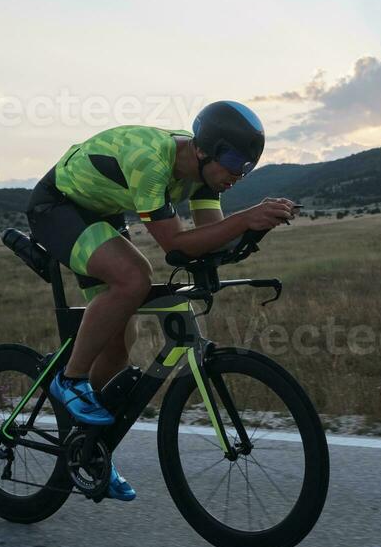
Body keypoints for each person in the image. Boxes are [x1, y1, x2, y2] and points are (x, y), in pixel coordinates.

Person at [25, 100, 298, 501]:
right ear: (204, 149)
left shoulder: (208, 176)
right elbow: (175, 245)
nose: (239, 175)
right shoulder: (151, 161)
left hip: (102, 212)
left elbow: (210, 237)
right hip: (59, 206)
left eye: (249, 167)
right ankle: (70, 379)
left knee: (119, 343)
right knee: (134, 277)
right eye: (236, 162)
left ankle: (87, 448)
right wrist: (245, 218)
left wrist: (256, 230)